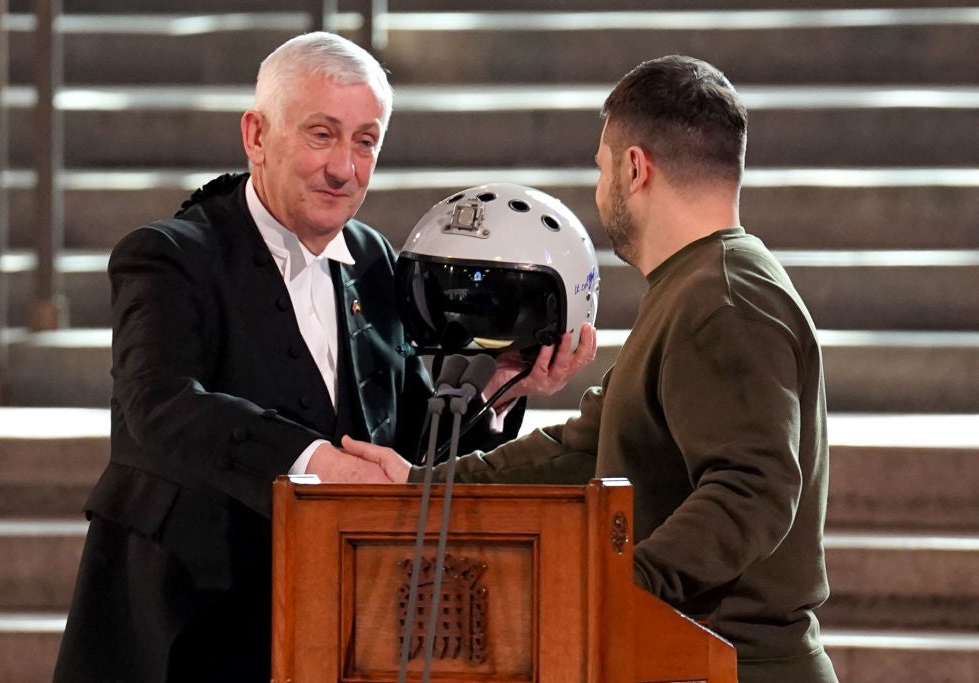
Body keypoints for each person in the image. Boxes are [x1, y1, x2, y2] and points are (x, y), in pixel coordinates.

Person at [53, 32, 595, 683]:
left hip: (340, 624)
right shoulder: (167, 255)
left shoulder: (375, 260)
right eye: (321, 134)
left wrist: (497, 387)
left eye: (365, 140)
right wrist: (315, 461)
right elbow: (159, 404)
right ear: (256, 134)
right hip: (186, 629)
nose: (344, 167)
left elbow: (410, 446)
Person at [348, 55, 839, 683]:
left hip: (729, 662)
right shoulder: (698, 286)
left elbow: (753, 490)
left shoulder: (723, 298)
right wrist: (426, 486)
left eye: (603, 168)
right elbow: (582, 446)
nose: (601, 190)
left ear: (636, 168)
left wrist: (618, 584)